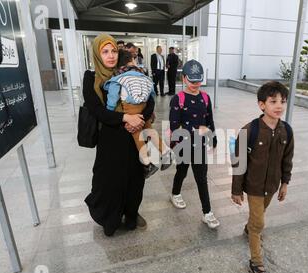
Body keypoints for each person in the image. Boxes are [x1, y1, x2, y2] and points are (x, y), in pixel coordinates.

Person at [83, 34, 153, 237]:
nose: (111, 56)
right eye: (105, 51)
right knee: (108, 181)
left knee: (135, 179)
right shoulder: (92, 77)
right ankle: (110, 218)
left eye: (113, 51)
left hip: (134, 136)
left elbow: (149, 100)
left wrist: (139, 120)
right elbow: (96, 109)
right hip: (110, 139)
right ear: (97, 54)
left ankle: (131, 214)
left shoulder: (128, 71)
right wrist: (125, 118)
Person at [231, 81, 294, 273]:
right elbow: (239, 164)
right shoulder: (249, 131)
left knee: (257, 217)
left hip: (272, 186)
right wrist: (236, 190)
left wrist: (285, 183)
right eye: (273, 101)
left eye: (282, 101)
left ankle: (250, 230)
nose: (279, 106)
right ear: (261, 105)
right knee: (259, 222)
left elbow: (287, 159)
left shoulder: (287, 131)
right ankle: (256, 262)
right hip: (254, 186)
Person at [104, 50, 172, 178]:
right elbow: (152, 93)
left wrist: (110, 110)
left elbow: (112, 98)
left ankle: (147, 164)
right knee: (149, 130)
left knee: (137, 134)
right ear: (132, 60)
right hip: (144, 105)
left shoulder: (119, 77)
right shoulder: (142, 74)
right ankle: (166, 152)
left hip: (130, 107)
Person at [169, 60, 220, 229]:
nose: (195, 84)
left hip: (198, 145)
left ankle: (207, 213)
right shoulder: (178, 99)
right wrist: (195, 130)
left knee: (201, 179)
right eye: (192, 80)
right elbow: (175, 127)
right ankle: (175, 193)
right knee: (181, 172)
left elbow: (209, 120)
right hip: (182, 144)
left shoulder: (205, 98)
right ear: (184, 78)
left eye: (198, 80)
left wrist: (213, 137)